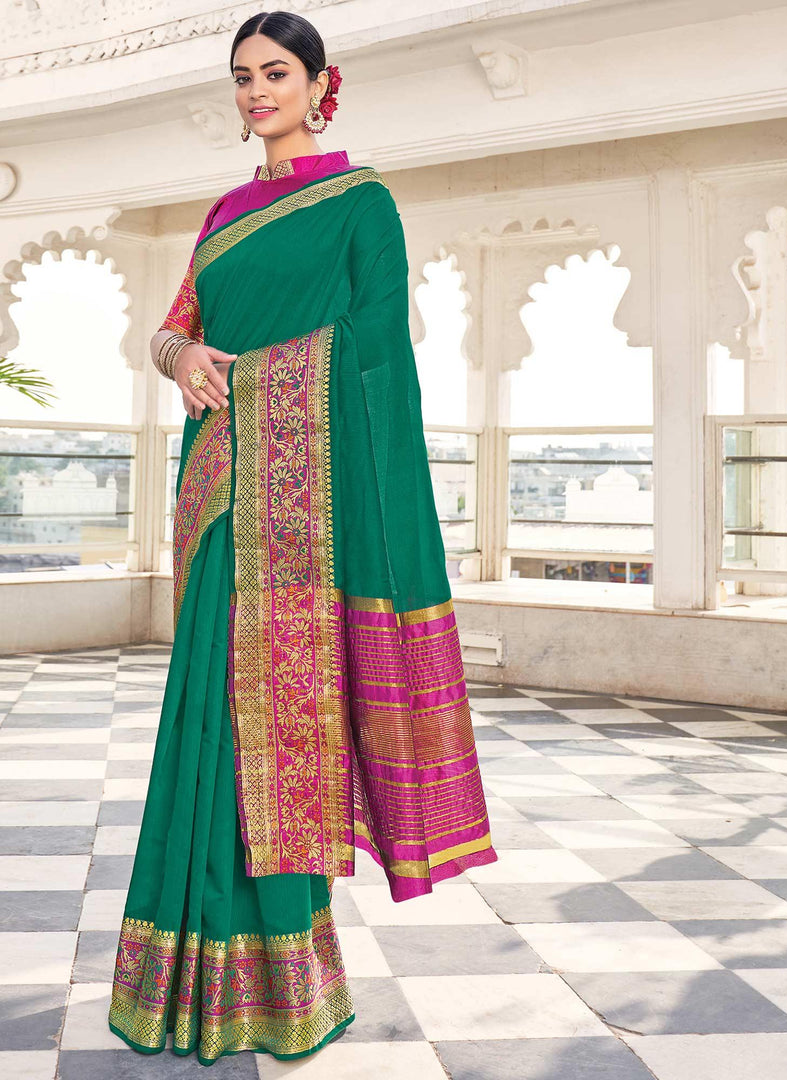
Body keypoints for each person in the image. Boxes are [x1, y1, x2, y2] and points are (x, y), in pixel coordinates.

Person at [108, 10, 498, 1067]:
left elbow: (376, 342)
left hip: (300, 514)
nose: (256, 93)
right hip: (218, 497)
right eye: (242, 77)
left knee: (274, 736)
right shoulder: (224, 210)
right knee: (204, 724)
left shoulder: (362, 201)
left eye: (275, 73)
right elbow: (176, 324)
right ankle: (179, 975)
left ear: (324, 83)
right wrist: (180, 357)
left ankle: (279, 982)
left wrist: (248, 378)